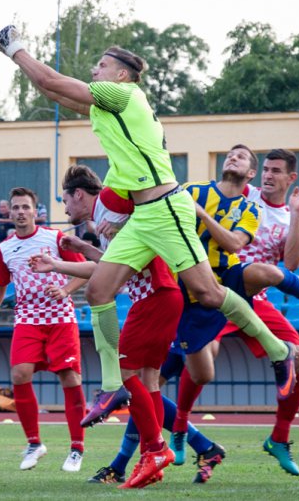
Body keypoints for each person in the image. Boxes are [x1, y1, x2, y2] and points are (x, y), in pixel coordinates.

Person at [0, 31, 297, 461]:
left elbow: (52, 83)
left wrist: (15, 49)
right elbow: (60, 94)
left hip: (166, 209)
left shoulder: (126, 96)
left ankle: (278, 352)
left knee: (209, 293)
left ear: (121, 75)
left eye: (100, 65)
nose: (94, 71)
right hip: (144, 215)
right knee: (98, 290)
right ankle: (112, 387)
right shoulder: (112, 107)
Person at [187, 149, 299, 477]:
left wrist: (296, 212)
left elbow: (290, 265)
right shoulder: (244, 193)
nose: (268, 175)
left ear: (291, 179)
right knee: (201, 363)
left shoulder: (293, 218)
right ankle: (181, 433)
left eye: (276, 171)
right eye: (266, 169)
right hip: (216, 288)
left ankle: (279, 438)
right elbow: (220, 189)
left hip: (254, 299)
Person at [30, 166, 187, 489]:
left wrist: (107, 237)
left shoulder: (109, 206)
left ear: (79, 194)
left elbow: (142, 236)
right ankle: (150, 460)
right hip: (163, 295)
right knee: (148, 381)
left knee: (125, 376)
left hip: (153, 296)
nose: (65, 209)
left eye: (65, 200)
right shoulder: (105, 220)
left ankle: (156, 449)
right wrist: (63, 262)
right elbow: (112, 266)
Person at [0, 186, 88, 473]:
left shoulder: (55, 238)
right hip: (27, 320)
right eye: (16, 208)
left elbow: (85, 271)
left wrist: (65, 289)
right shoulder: (4, 249)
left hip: (60, 318)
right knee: (19, 374)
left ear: (35, 211)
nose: (21, 212)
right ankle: (34, 443)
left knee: (70, 378)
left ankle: (76, 448)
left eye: (26, 207)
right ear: (9, 213)